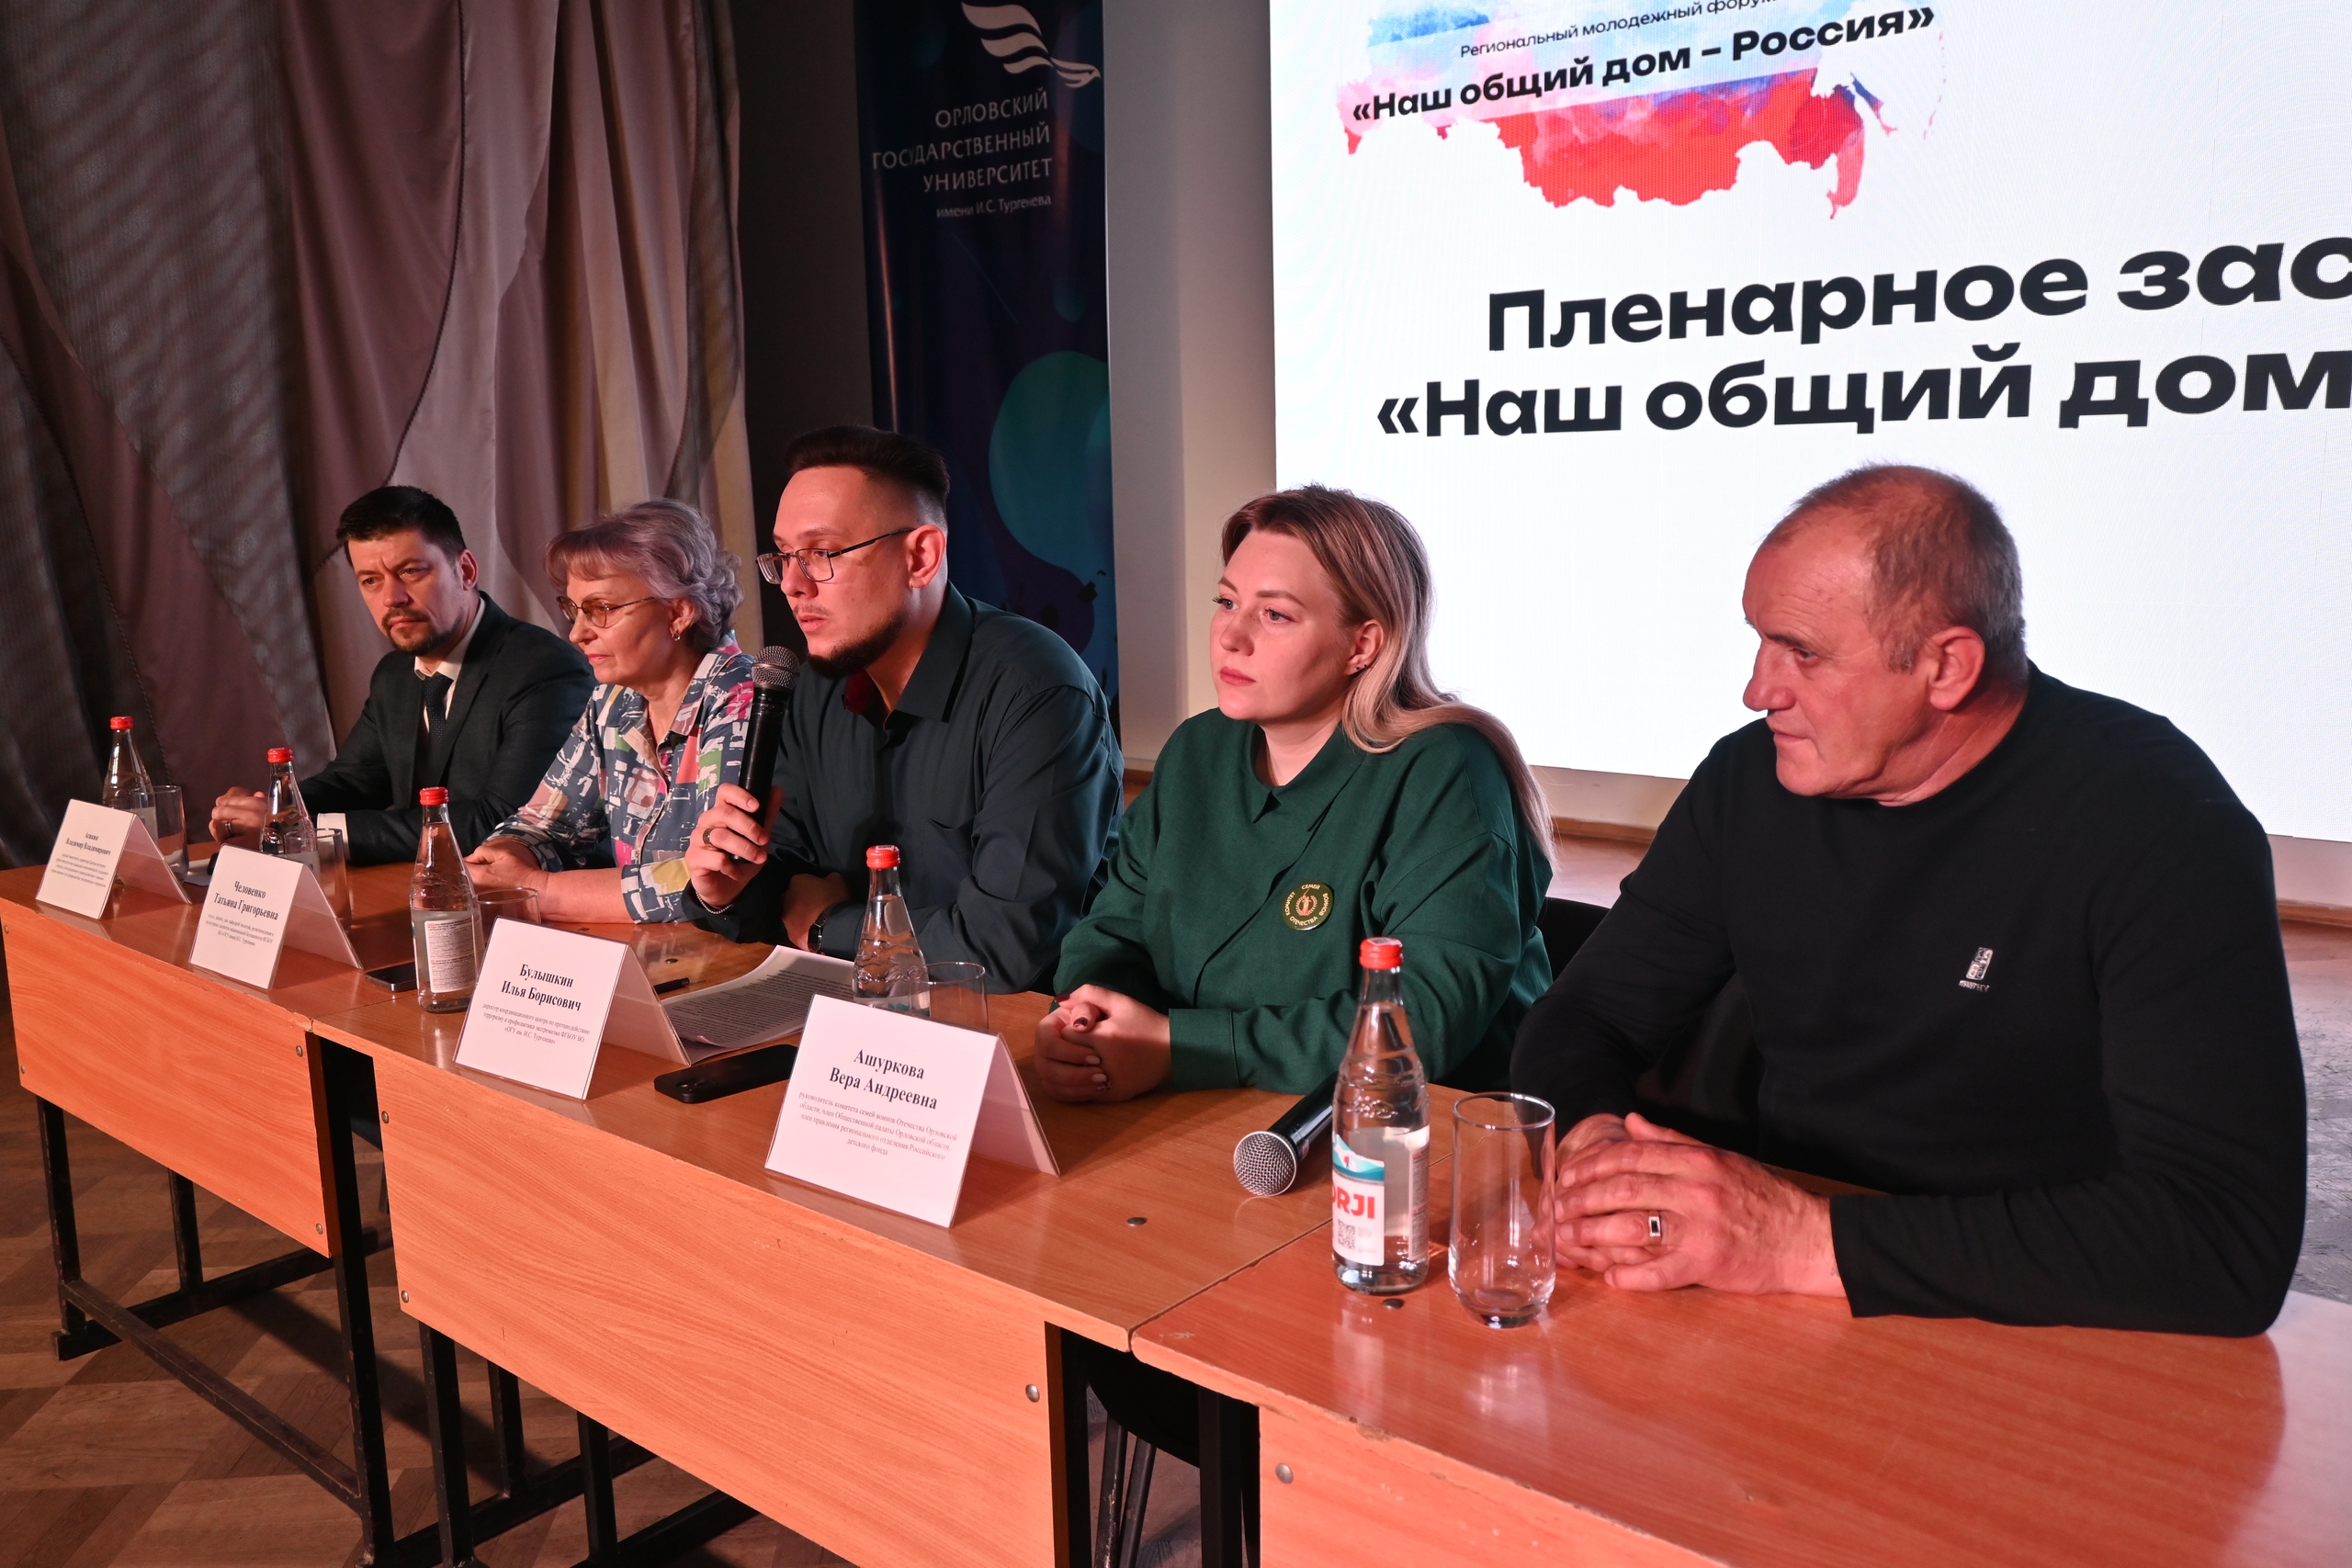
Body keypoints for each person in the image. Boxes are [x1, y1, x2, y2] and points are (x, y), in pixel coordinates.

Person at [1512, 464, 2306, 1336]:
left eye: (1803, 653)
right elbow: (1587, 1016)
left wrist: (1802, 1241)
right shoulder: (1749, 779)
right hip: (1788, 1303)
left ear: (1947, 666)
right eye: (1761, 641)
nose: (1758, 689)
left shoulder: (2160, 823)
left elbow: (2223, 1239)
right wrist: (1598, 1155)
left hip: (2045, 1319)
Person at [1035, 486, 1554, 1101]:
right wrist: (1090, 1018)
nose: (1231, 636)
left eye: (1275, 614)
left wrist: (1181, 1048)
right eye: (1227, 602)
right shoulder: (1198, 748)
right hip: (1205, 1104)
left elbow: (1424, 1020)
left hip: (1407, 1127)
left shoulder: (1448, 769)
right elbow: (1113, 931)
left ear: (1363, 645)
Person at [682, 427, 1122, 989]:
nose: (792, 585)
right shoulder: (814, 687)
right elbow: (787, 878)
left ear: (921, 556)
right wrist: (726, 891)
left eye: (821, 554)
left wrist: (826, 926)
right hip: (859, 1011)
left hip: (1014, 1024)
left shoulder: (1036, 691)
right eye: (785, 556)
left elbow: (1003, 949)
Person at [208, 486, 591, 863]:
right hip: (423, 884)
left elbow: (503, 822)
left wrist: (300, 830)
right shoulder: (394, 674)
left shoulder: (546, 670)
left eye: (410, 571)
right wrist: (274, 811)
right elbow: (355, 780)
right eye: (370, 580)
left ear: (465, 571)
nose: (392, 598)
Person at [463, 499, 752, 922]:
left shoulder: (743, 698)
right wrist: (500, 861)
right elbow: (547, 825)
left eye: (601, 609)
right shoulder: (613, 701)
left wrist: (539, 890)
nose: (577, 633)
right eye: (574, 610)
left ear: (678, 612)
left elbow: (712, 876)